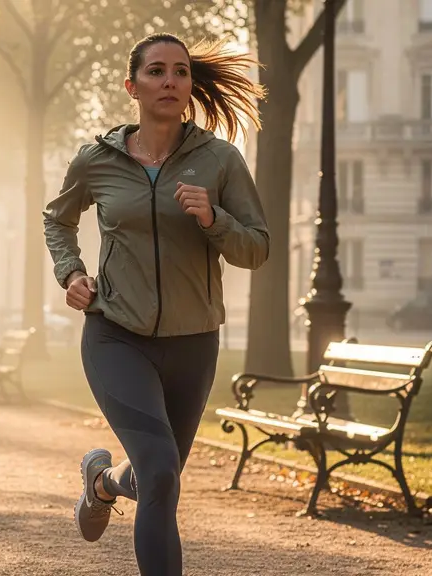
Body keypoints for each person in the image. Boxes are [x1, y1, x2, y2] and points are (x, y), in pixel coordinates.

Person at [43, 33, 270, 575]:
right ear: (133, 86)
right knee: (162, 467)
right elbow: (59, 219)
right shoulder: (97, 159)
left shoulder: (219, 161)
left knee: (157, 477)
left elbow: (257, 249)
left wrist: (215, 220)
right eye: (157, 72)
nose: (170, 81)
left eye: (180, 72)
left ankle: (101, 483)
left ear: (190, 86)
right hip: (116, 334)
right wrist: (71, 272)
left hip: (193, 343)